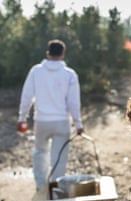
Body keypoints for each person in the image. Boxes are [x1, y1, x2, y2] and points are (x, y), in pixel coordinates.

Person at [17, 39, 83, 191]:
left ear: (48, 54)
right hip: (61, 122)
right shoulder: (70, 74)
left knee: (40, 152)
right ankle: (56, 189)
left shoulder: (36, 71)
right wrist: (78, 124)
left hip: (42, 121)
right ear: (62, 55)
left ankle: (41, 187)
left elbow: (27, 96)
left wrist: (22, 118)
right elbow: (74, 102)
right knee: (59, 158)